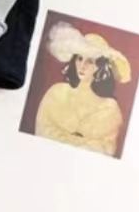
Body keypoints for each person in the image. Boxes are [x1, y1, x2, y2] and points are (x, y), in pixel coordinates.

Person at [36, 22, 132, 157]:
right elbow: (42, 131)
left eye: (90, 61)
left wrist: (64, 137)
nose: (82, 65)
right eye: (79, 58)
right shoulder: (56, 92)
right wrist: (82, 141)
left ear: (99, 67)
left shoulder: (109, 108)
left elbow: (106, 150)